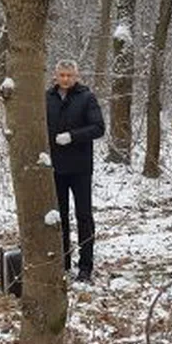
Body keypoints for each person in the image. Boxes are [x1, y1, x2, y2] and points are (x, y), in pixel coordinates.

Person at [45, 59, 105, 282]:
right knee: (58, 217)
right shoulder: (47, 98)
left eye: (69, 75)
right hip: (55, 167)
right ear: (55, 75)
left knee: (84, 216)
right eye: (62, 75)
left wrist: (72, 136)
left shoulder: (86, 97)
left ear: (76, 76)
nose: (66, 79)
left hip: (80, 167)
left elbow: (99, 128)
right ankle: (63, 262)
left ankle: (85, 266)